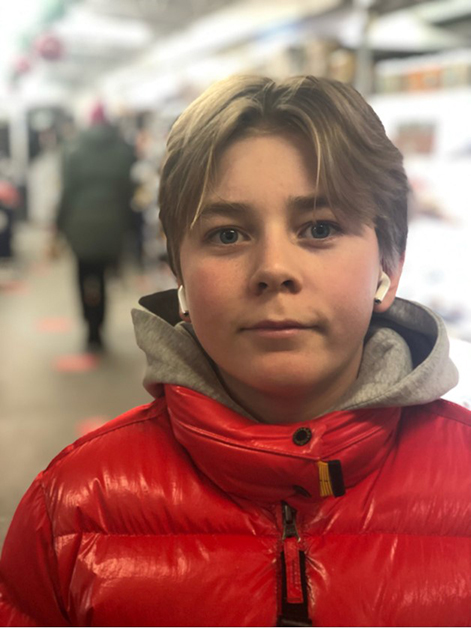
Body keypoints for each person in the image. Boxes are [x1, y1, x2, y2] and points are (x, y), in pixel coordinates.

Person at [1, 75, 470, 627]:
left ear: (389, 266)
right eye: (228, 235)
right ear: (180, 274)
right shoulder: (73, 509)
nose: (274, 268)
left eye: (320, 228)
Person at [53, 102, 135, 351]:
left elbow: (67, 191)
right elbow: (127, 191)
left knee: (83, 274)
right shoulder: (122, 150)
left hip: (80, 224)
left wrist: (58, 224)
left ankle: (89, 327)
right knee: (102, 276)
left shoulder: (73, 148)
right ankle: (100, 324)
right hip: (112, 223)